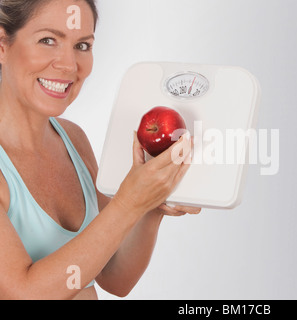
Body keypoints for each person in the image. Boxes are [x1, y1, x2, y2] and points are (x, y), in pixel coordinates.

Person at [0, 0, 200, 300]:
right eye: (47, 40)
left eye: (82, 45)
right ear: (3, 45)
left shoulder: (73, 139)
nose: (69, 64)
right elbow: (23, 292)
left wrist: (151, 204)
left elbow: (114, 277)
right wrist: (128, 203)